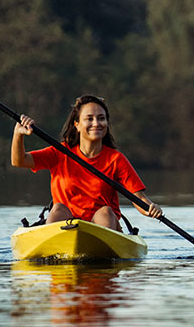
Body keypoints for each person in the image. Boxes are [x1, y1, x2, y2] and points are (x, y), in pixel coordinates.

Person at [11, 94, 162, 231]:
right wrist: (18, 135)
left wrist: (151, 209)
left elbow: (139, 198)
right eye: (89, 119)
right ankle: (53, 242)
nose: (96, 123)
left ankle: (103, 243)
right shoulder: (59, 152)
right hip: (66, 225)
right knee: (57, 209)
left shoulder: (116, 159)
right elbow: (20, 161)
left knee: (105, 212)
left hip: (103, 226)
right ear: (77, 124)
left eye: (101, 118)